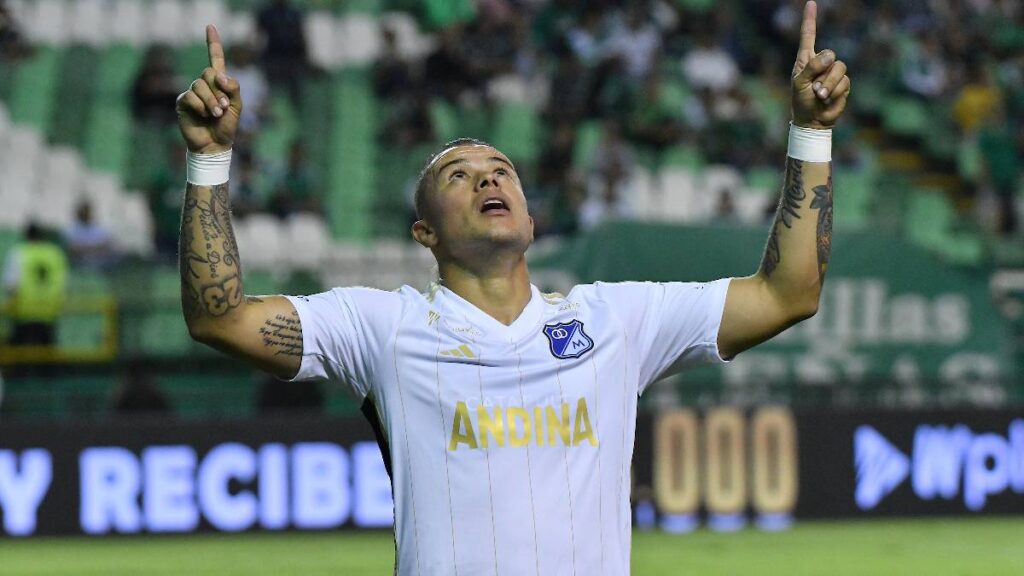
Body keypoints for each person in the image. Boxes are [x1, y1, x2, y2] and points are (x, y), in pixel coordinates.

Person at [175, 3, 849, 572]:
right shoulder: (382, 328)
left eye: (501, 171)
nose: (488, 179)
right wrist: (209, 159)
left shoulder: (614, 320)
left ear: (530, 218)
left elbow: (787, 294)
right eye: (458, 176)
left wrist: (811, 136)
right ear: (424, 233)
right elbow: (220, 319)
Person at [2, 222, 68, 347]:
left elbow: (11, 286)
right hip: (50, 312)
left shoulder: (19, 253)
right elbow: (63, 284)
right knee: (46, 356)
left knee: (17, 354)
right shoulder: (55, 254)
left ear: (26, 236)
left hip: (24, 312)